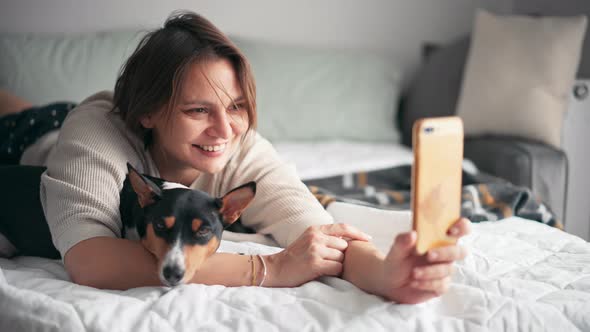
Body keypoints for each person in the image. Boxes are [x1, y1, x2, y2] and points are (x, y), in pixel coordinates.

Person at [0, 10, 469, 304]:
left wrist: (390, 274)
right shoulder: (100, 129)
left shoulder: (240, 149)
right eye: (198, 110)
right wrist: (267, 268)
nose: (224, 132)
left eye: (235, 107)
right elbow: (90, 261)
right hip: (39, 136)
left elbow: (320, 237)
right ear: (148, 112)